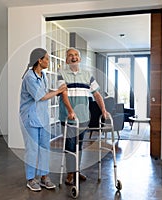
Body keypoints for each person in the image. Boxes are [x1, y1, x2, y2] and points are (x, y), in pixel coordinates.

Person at [58, 47, 107, 185]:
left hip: (84, 118)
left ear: (79, 58)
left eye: (75, 55)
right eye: (70, 55)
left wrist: (103, 109)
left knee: (79, 147)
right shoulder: (61, 74)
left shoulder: (87, 75)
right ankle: (70, 174)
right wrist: (70, 110)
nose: (73, 57)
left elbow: (97, 94)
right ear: (67, 59)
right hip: (68, 119)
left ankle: (77, 171)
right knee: (70, 146)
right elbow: (63, 94)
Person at [19, 48, 67, 192]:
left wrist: (56, 90)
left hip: (43, 118)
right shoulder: (29, 77)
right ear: (39, 60)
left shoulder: (43, 75)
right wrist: (58, 91)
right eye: (46, 58)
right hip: (30, 118)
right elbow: (41, 96)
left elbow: (46, 91)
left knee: (45, 148)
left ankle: (44, 176)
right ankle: (30, 179)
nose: (48, 61)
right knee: (32, 149)